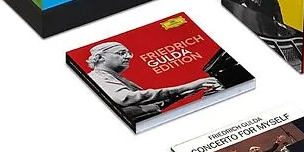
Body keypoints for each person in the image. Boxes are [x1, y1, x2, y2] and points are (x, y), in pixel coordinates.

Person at [86, 42, 221, 121]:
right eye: (121, 53)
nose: (128, 57)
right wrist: (186, 86)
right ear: (100, 57)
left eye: (128, 53)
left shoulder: (113, 77)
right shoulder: (97, 77)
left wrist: (187, 91)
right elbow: (126, 99)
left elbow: (151, 106)